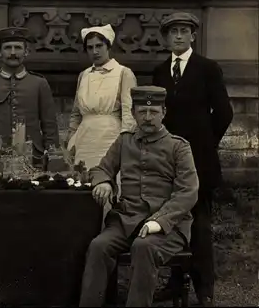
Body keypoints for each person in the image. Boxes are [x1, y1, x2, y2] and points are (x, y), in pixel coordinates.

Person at [79, 86, 199, 307]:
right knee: (98, 246)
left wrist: (158, 221)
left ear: (164, 112)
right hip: (126, 220)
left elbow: (187, 192)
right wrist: (104, 181)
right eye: (142, 111)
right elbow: (102, 169)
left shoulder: (179, 147)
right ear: (133, 113)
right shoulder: (125, 141)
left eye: (153, 112)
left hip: (169, 226)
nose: (147, 117)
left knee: (143, 247)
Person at [152, 12, 233, 306]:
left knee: (199, 225)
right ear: (165, 37)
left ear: (193, 36)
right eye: (173, 31)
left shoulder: (207, 68)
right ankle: (174, 283)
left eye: (184, 31)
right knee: (170, 222)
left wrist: (204, 145)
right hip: (167, 164)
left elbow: (224, 113)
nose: (178, 36)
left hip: (199, 161)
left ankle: (204, 288)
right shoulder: (160, 72)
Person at [0, 27, 60, 169]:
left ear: (26, 52)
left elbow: (49, 125)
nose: (12, 53)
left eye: (18, 48)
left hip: (33, 157)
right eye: (7, 48)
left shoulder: (39, 83)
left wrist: (53, 156)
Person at [67, 24, 136, 169]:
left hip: (110, 138)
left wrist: (126, 142)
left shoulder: (123, 73)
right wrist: (71, 137)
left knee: (105, 180)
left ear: (108, 46)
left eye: (99, 46)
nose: (95, 51)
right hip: (84, 139)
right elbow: (76, 113)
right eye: (90, 47)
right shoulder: (84, 75)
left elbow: (128, 112)